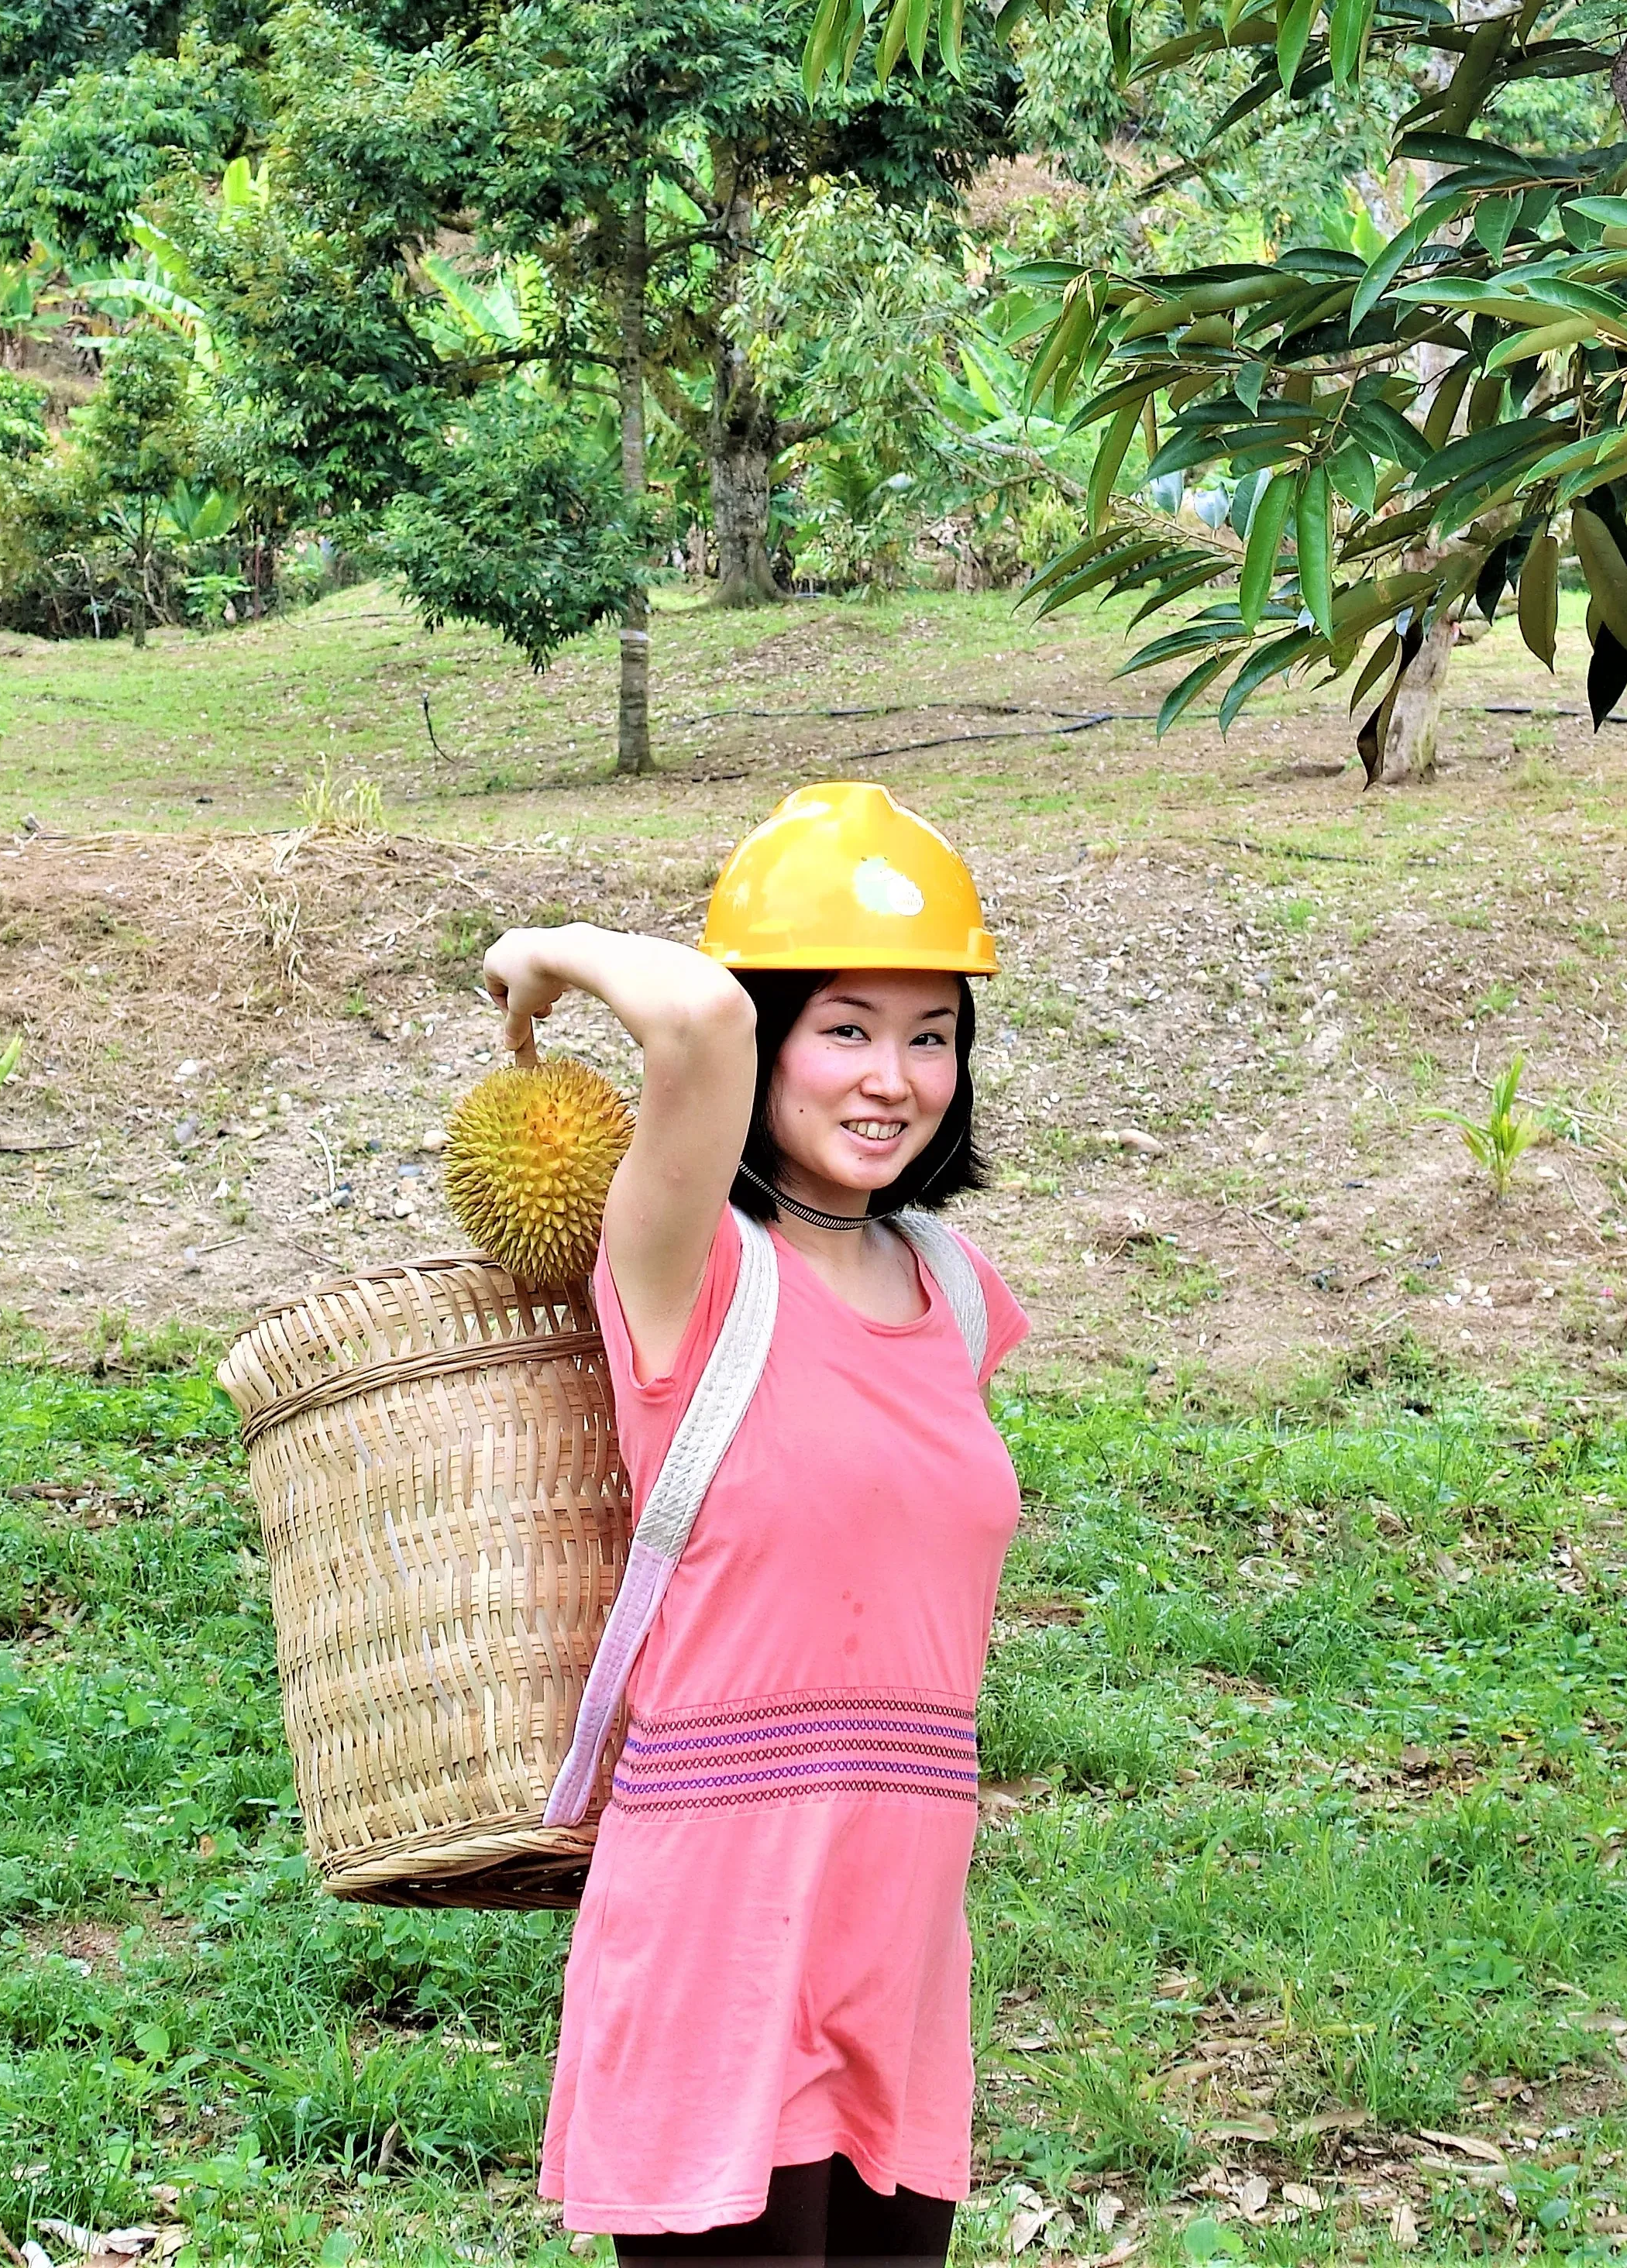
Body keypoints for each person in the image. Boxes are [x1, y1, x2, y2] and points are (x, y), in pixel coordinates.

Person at [477, 782, 1030, 2268]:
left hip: (897, 1927)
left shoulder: (957, 1292)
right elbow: (694, 1027)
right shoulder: (689, 1265)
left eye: (932, 1035)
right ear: (772, 1034)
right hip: (724, 1922)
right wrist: (541, 953)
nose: (893, 1077)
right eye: (844, 1026)